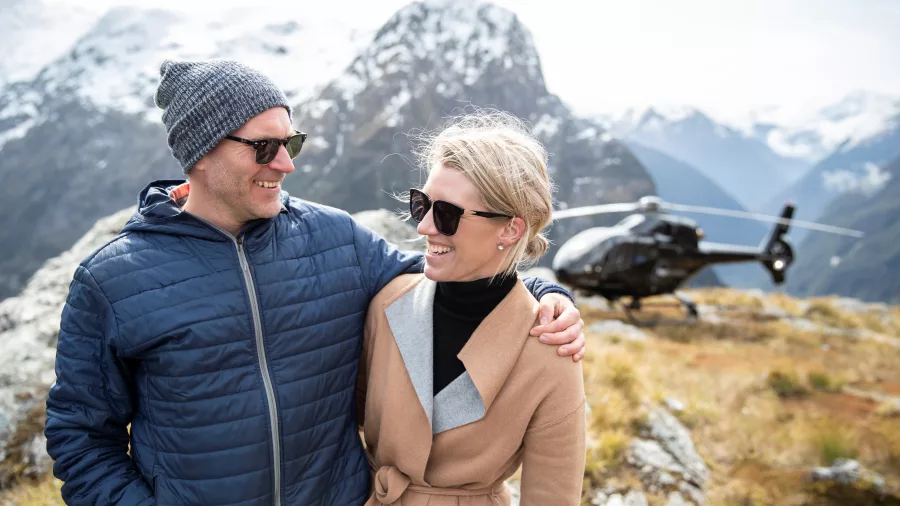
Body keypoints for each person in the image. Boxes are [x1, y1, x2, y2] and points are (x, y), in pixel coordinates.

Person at [43, 59, 586, 506]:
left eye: (291, 143)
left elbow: (447, 275)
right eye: (263, 148)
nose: (285, 164)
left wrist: (544, 294)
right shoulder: (110, 281)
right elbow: (82, 437)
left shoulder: (336, 239)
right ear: (201, 153)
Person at [357, 111, 586, 505]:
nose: (424, 227)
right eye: (421, 205)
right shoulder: (385, 305)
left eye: (446, 214)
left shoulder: (551, 349)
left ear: (511, 229)